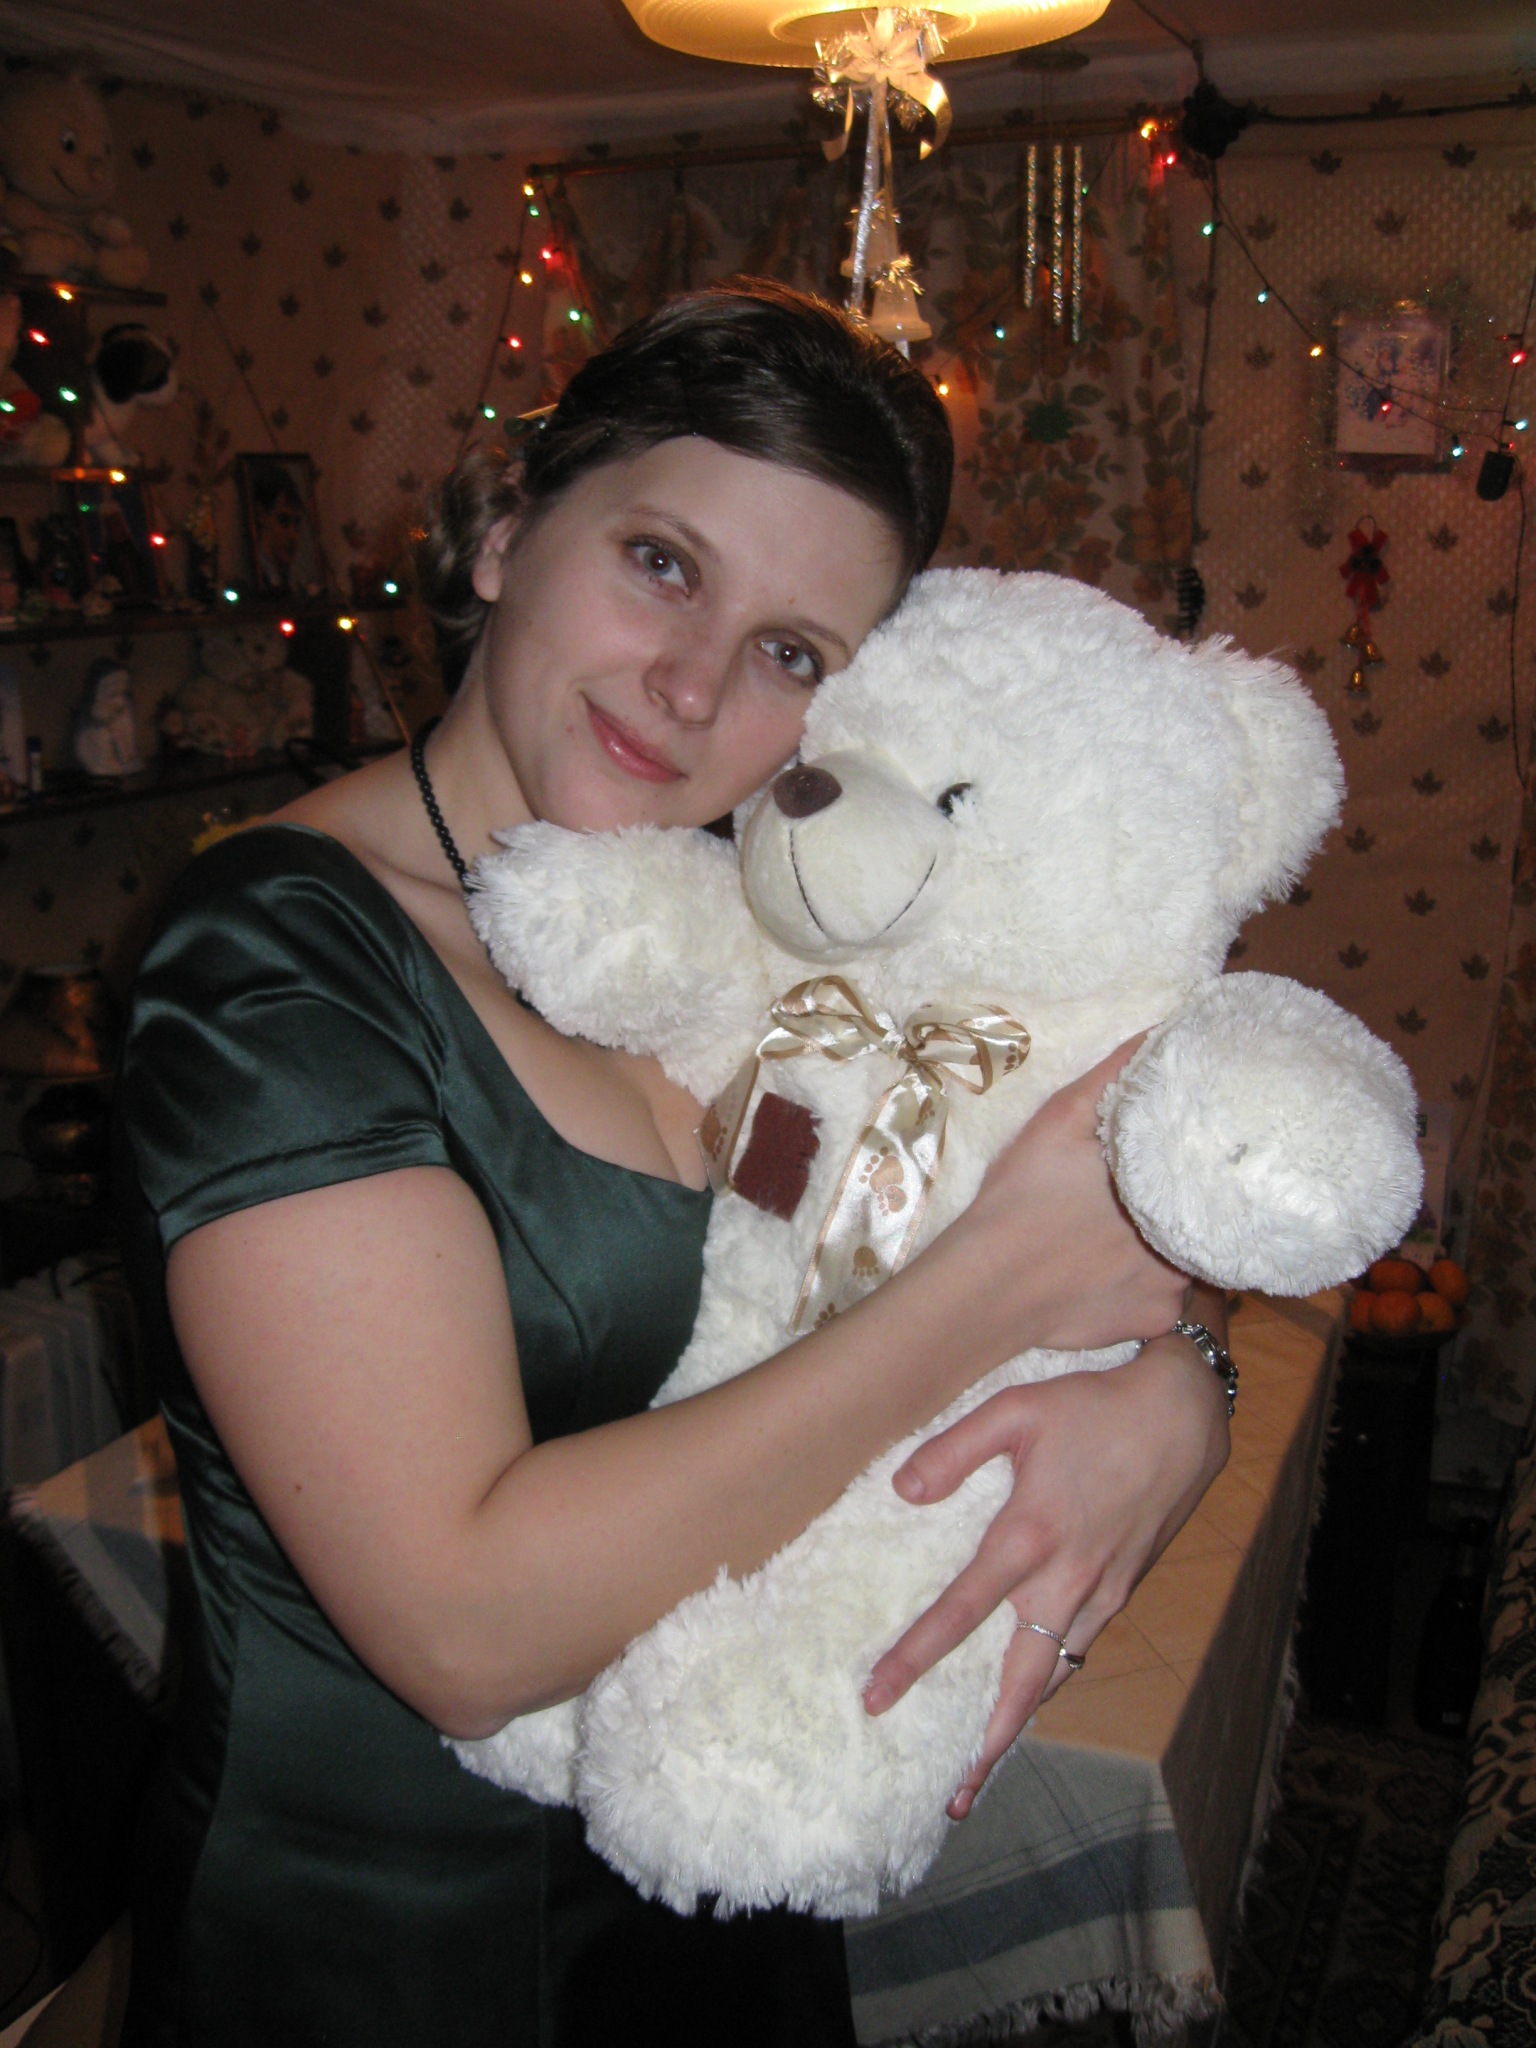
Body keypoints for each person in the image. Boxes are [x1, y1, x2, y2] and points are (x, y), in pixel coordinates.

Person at [113, 279, 1231, 2048]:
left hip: (719, 1908)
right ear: (504, 530)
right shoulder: (272, 964)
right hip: (391, 1958)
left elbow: (1050, 1169)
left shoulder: (768, 923)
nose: (696, 686)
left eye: (794, 653)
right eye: (660, 563)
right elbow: (463, 1627)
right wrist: (993, 1290)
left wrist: (1181, 1383)